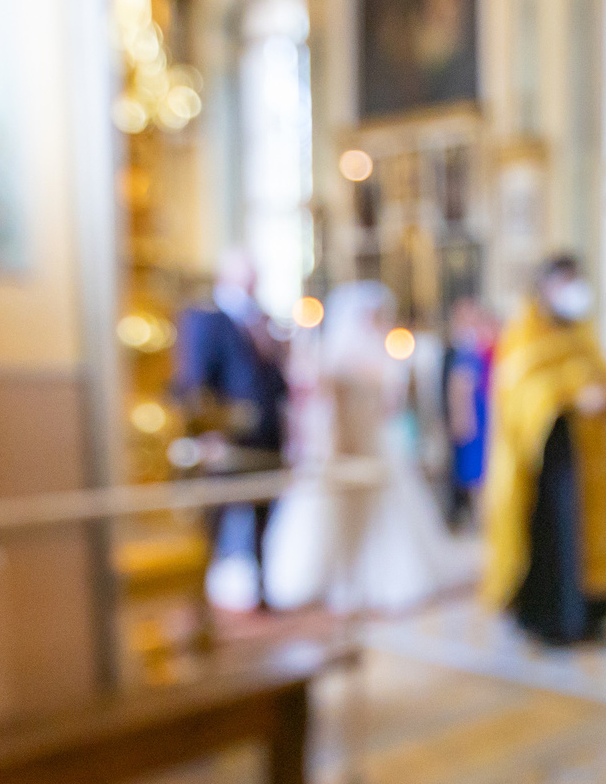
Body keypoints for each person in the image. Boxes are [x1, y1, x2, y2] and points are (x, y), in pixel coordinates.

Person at [259, 281, 469, 613]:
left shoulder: (384, 352)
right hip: (343, 446)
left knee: (387, 508)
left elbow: (392, 406)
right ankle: (337, 575)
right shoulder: (332, 354)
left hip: (376, 443)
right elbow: (317, 397)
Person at [481, 256, 606, 646]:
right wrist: (571, 397)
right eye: (564, 282)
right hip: (546, 460)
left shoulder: (581, 331)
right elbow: (518, 391)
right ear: (544, 287)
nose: (572, 290)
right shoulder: (525, 330)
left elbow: (601, 375)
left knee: (586, 533)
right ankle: (550, 619)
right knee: (554, 537)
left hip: (587, 457)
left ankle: (589, 614)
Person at [175, 248, 289, 609]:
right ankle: (198, 604)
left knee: (264, 516)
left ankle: (262, 590)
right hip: (226, 439)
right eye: (246, 273)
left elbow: (274, 379)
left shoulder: (262, 320)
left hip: (266, 435)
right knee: (213, 521)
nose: (253, 281)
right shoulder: (205, 318)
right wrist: (206, 432)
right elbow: (194, 380)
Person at [441, 297, 494, 529]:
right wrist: (461, 418)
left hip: (486, 414)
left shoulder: (481, 346)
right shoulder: (466, 350)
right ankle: (478, 519)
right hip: (475, 417)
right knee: (475, 474)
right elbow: (459, 386)